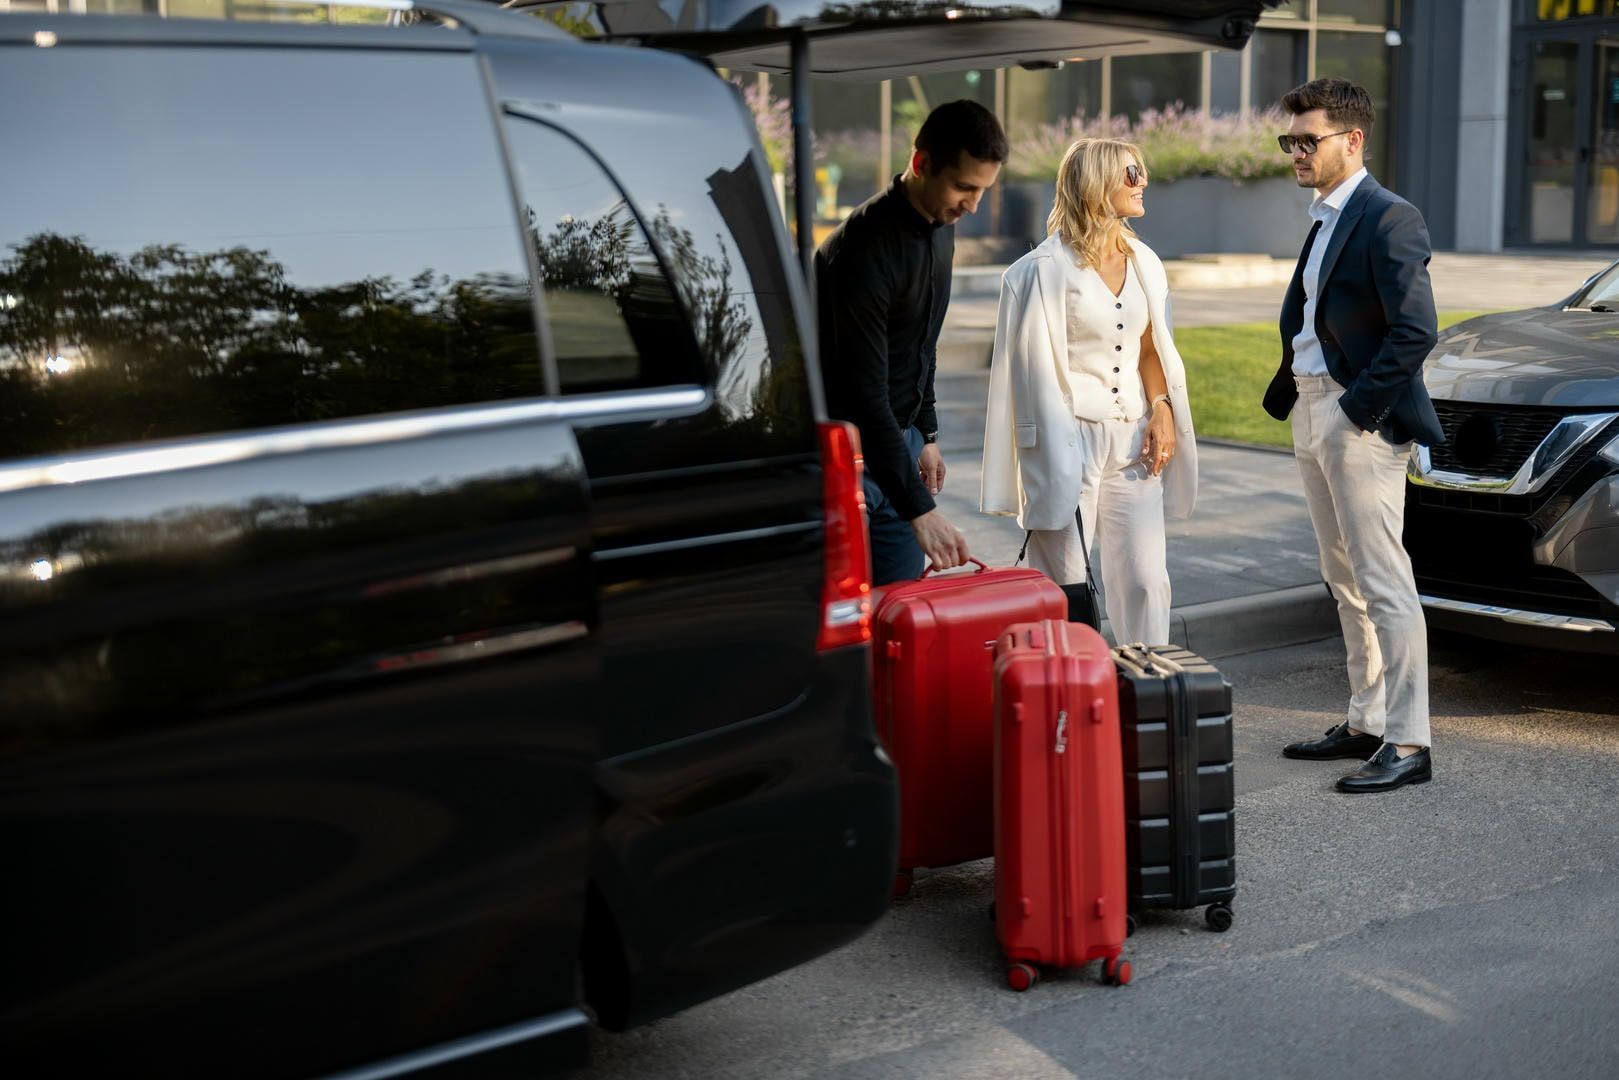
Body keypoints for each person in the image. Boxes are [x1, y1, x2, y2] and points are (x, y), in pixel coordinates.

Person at [1263, 77, 1441, 794]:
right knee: (1342, 578)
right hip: (1313, 409)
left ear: (1352, 140)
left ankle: (1408, 740)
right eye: (1290, 141)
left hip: (1354, 417)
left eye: (1308, 140)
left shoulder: (1388, 217)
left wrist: (1354, 411)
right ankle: (1366, 719)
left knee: (1382, 578)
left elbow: (1414, 330)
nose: (1296, 153)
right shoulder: (1323, 217)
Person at [980, 138, 1197, 646]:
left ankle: (1146, 689)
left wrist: (1162, 407)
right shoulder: (1041, 271)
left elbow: (1150, 347)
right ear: (1098, 183)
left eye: (1141, 171)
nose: (1142, 182)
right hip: (1067, 442)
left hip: (1133, 439)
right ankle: (1067, 701)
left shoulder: (1146, 262)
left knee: (1145, 581)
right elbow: (1026, 375)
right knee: (1067, 587)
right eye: (1131, 173)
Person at [816, 100, 1006, 584]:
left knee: (901, 618)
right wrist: (920, 509)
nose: (973, 205)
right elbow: (862, 395)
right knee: (854, 629)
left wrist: (928, 434)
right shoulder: (862, 249)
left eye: (983, 190)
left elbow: (922, 344)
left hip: (900, 448)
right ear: (921, 164)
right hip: (850, 460)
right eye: (964, 186)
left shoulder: (941, 227)